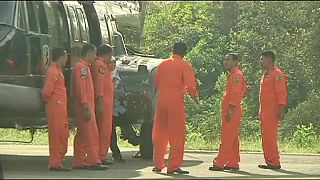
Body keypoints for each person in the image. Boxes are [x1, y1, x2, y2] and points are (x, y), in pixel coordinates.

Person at [152, 42, 199, 175]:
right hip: (175, 101)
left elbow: (156, 82)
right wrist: (195, 97)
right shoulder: (185, 65)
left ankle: (158, 164)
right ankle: (173, 166)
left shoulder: (162, 64)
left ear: (173, 50)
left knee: (160, 132)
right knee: (177, 134)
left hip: (161, 100)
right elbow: (190, 86)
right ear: (185, 53)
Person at [208, 53, 248, 171]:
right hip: (231, 109)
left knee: (227, 137)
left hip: (233, 110)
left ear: (236, 62)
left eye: (228, 60)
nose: (225, 62)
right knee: (233, 137)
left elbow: (235, 94)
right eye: (225, 60)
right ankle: (233, 162)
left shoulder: (236, 75)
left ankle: (220, 162)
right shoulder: (233, 75)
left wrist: (230, 110)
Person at [72, 43, 108, 170]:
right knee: (91, 133)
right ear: (89, 53)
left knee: (82, 133)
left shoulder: (84, 67)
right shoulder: (81, 68)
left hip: (86, 104)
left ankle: (79, 160)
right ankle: (94, 161)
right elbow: (80, 88)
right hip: (85, 105)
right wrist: (85, 105)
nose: (95, 56)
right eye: (94, 54)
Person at [258, 50, 288, 169]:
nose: (261, 62)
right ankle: (269, 160)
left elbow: (281, 93)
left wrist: (281, 108)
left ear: (270, 60)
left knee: (270, 136)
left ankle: (274, 161)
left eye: (262, 59)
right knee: (266, 137)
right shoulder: (266, 75)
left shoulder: (277, 74)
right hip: (265, 111)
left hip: (272, 111)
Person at [42, 47, 70, 171]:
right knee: (56, 134)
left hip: (60, 106)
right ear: (61, 57)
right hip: (56, 106)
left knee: (62, 133)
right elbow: (47, 92)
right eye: (65, 57)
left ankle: (58, 161)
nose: (66, 59)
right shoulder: (53, 71)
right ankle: (55, 163)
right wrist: (53, 102)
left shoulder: (58, 71)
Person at [90, 44, 114, 165]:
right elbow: (99, 84)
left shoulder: (101, 65)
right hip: (104, 102)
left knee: (103, 129)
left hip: (105, 101)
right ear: (108, 54)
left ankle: (100, 154)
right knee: (104, 129)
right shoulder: (100, 66)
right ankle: (101, 155)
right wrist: (99, 99)